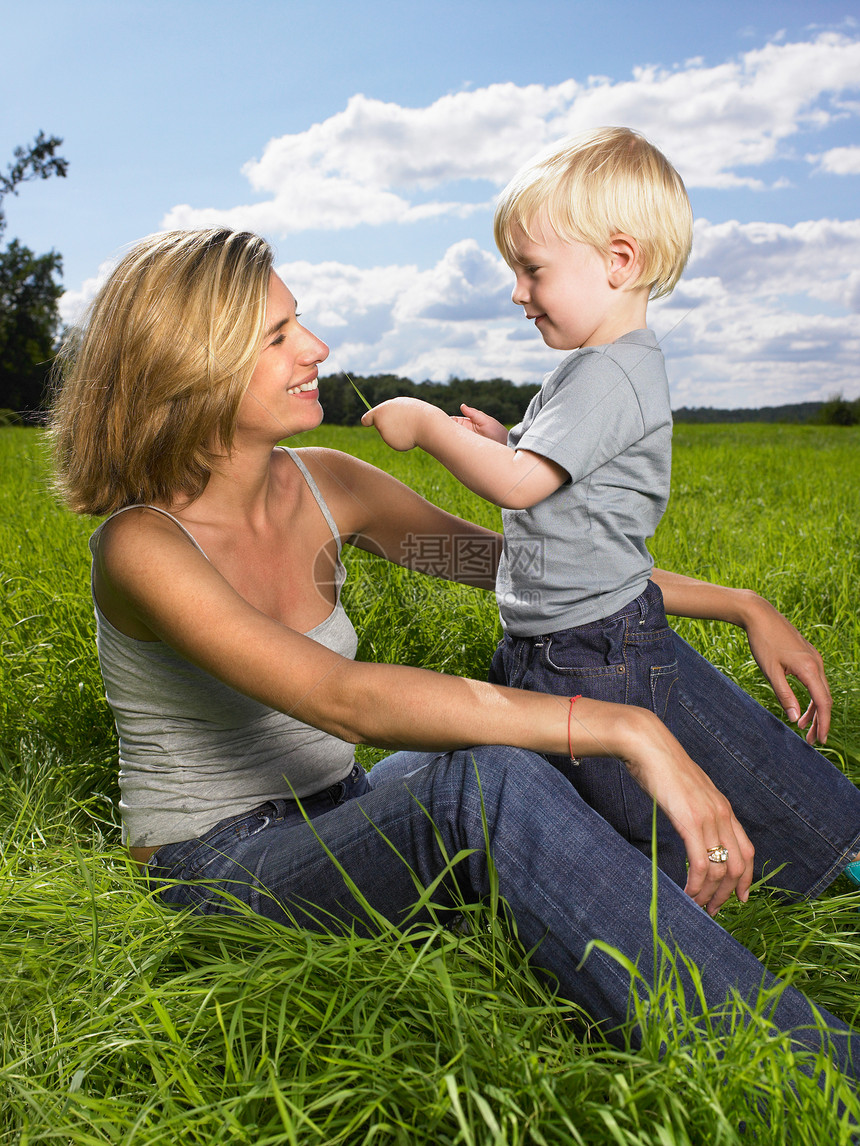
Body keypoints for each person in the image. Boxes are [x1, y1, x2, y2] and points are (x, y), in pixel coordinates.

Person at [49, 227, 860, 1082]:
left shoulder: (328, 484)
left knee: (527, 701)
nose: (316, 348)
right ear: (191, 367)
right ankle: (815, 1074)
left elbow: (526, 568)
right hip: (217, 871)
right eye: (277, 337)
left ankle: (833, 860)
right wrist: (623, 730)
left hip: (343, 806)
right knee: (493, 776)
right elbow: (342, 699)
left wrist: (740, 604)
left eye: (301, 323)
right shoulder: (144, 547)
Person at [361, 127, 836, 887]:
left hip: (592, 649)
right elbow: (554, 467)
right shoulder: (599, 370)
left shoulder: (612, 374)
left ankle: (697, 894)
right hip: (562, 639)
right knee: (566, 789)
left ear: (621, 262)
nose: (518, 291)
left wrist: (422, 424)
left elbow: (521, 485)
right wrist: (503, 434)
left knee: (622, 814)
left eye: (531, 268)